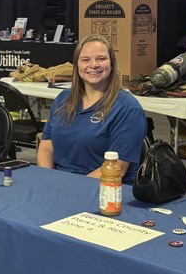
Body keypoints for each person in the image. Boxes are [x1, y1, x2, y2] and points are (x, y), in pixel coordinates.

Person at [37, 35, 147, 181]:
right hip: (58, 182)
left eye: (101, 59)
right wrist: (47, 180)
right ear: (77, 65)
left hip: (105, 187)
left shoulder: (128, 109)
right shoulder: (63, 99)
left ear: (112, 64)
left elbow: (117, 168)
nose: (93, 65)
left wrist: (69, 188)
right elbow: (46, 146)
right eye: (85, 59)